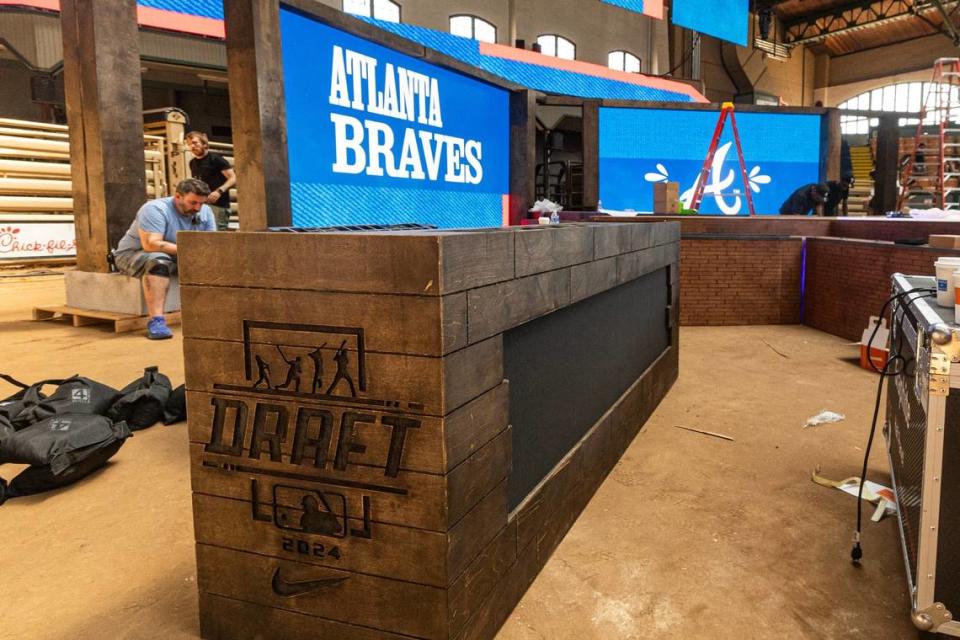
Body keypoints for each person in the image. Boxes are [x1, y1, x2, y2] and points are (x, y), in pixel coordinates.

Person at [113, 178, 216, 340]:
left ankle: (214, 314)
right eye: (193, 203)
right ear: (178, 197)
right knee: (159, 261)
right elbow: (151, 245)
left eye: (201, 203)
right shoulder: (155, 209)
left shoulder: (205, 211)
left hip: (176, 254)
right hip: (134, 254)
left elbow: (210, 244)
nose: (197, 208)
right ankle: (157, 321)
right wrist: (193, 251)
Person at [186, 130, 236, 231]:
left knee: (216, 237)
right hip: (201, 206)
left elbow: (233, 178)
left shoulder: (216, 159)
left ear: (204, 144)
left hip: (219, 206)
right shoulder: (192, 163)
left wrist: (219, 191)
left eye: (195, 143)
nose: (192, 146)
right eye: (189, 144)